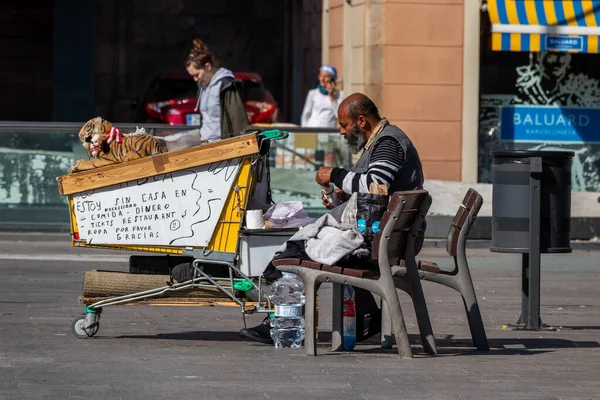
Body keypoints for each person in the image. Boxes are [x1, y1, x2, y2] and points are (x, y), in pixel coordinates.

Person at [239, 93, 425, 344]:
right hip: (382, 236)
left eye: (344, 125)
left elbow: (376, 184)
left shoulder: (388, 142)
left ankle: (284, 322)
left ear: (361, 121)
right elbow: (371, 197)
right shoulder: (379, 143)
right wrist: (341, 199)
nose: (340, 131)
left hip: (378, 242)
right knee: (310, 237)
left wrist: (335, 174)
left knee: (295, 253)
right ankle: (365, 316)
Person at [185, 39, 249, 142]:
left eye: (197, 74)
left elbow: (237, 119)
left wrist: (242, 145)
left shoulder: (226, 84)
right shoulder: (202, 86)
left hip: (221, 145)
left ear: (207, 66)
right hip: (204, 142)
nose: (195, 79)